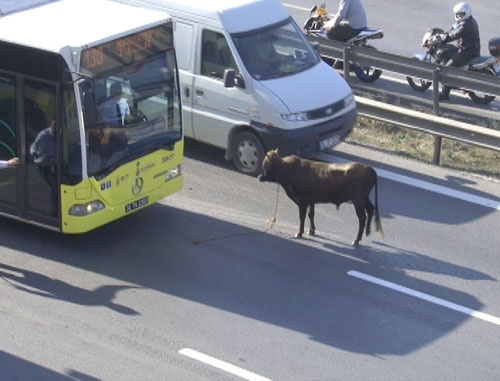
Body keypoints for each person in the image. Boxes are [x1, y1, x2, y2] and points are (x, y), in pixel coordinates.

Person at [440, 2, 481, 100]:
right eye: (457, 14)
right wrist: (445, 33)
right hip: (470, 49)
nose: (458, 16)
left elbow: (455, 35)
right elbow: (453, 30)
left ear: (466, 13)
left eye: (461, 14)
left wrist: (443, 39)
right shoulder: (468, 20)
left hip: (466, 52)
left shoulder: (466, 25)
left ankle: (445, 94)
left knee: (446, 69)